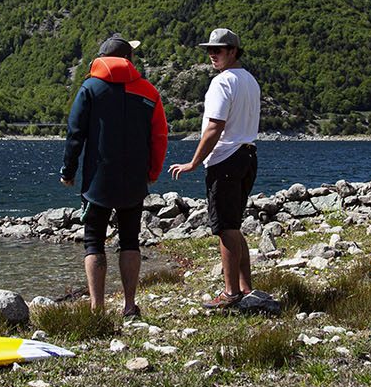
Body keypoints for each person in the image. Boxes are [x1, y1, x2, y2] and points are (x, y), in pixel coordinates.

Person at [61, 33, 168, 319]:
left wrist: (68, 171)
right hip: (134, 179)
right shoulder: (148, 91)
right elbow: (159, 137)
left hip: (98, 180)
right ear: (128, 59)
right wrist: (153, 172)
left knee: (94, 240)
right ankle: (130, 306)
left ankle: (97, 309)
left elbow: (75, 134)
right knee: (130, 240)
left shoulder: (90, 88)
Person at [168, 27, 261, 310]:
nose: (212, 55)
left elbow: (214, 127)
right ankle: (245, 287)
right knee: (234, 225)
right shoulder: (250, 81)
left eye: (217, 50)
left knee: (225, 228)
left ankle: (231, 293)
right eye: (209, 50)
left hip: (226, 159)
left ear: (233, 51)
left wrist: (193, 163)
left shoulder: (222, 83)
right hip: (247, 156)